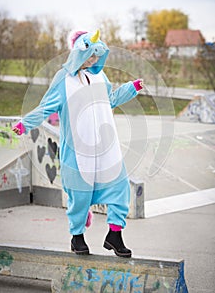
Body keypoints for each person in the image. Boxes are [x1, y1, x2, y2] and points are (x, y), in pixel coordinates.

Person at [12, 29, 143, 258]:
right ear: (79, 53)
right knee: (79, 195)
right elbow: (46, 106)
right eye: (89, 55)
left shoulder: (100, 77)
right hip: (77, 150)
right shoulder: (64, 79)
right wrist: (25, 123)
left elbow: (110, 100)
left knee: (119, 187)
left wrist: (132, 88)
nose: (93, 60)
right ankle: (77, 237)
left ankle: (115, 235)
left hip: (106, 147)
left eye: (96, 56)